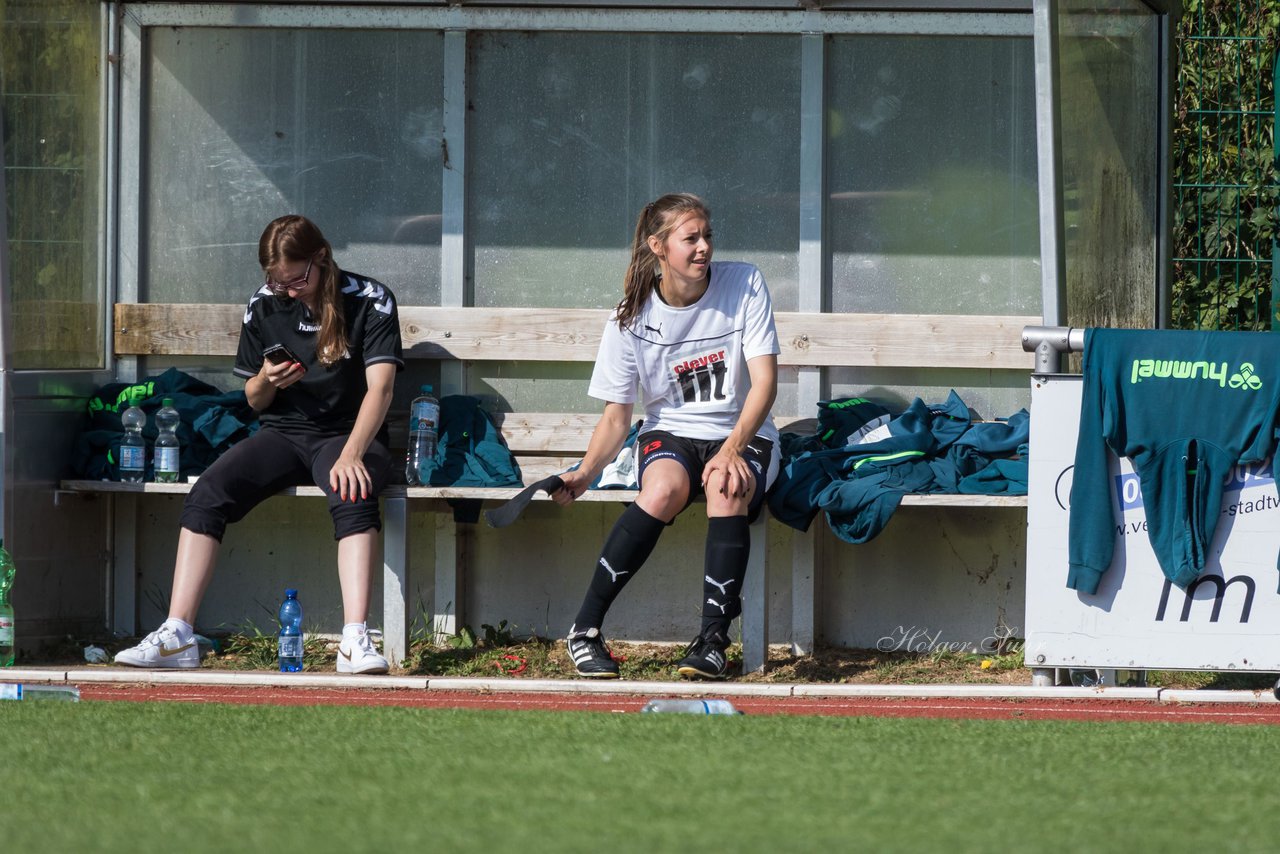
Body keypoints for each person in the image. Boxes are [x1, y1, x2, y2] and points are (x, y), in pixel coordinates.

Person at [115, 215, 403, 674]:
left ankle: (354, 639)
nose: (287, 290)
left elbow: (381, 390)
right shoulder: (264, 303)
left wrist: (351, 453)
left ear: (322, 258)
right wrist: (268, 379)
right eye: (276, 280)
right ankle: (178, 633)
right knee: (208, 491)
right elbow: (253, 398)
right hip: (283, 433)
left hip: (347, 434)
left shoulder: (370, 299)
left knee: (353, 486)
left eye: (296, 279)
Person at [556, 193, 780, 680]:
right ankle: (584, 631)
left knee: (725, 483)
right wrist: (585, 473)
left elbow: (764, 384)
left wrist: (731, 449)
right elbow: (617, 418)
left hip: (743, 433)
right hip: (671, 434)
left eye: (708, 237)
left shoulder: (744, 283)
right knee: (661, 489)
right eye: (691, 238)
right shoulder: (628, 318)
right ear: (658, 246)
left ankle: (713, 642)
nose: (704, 248)